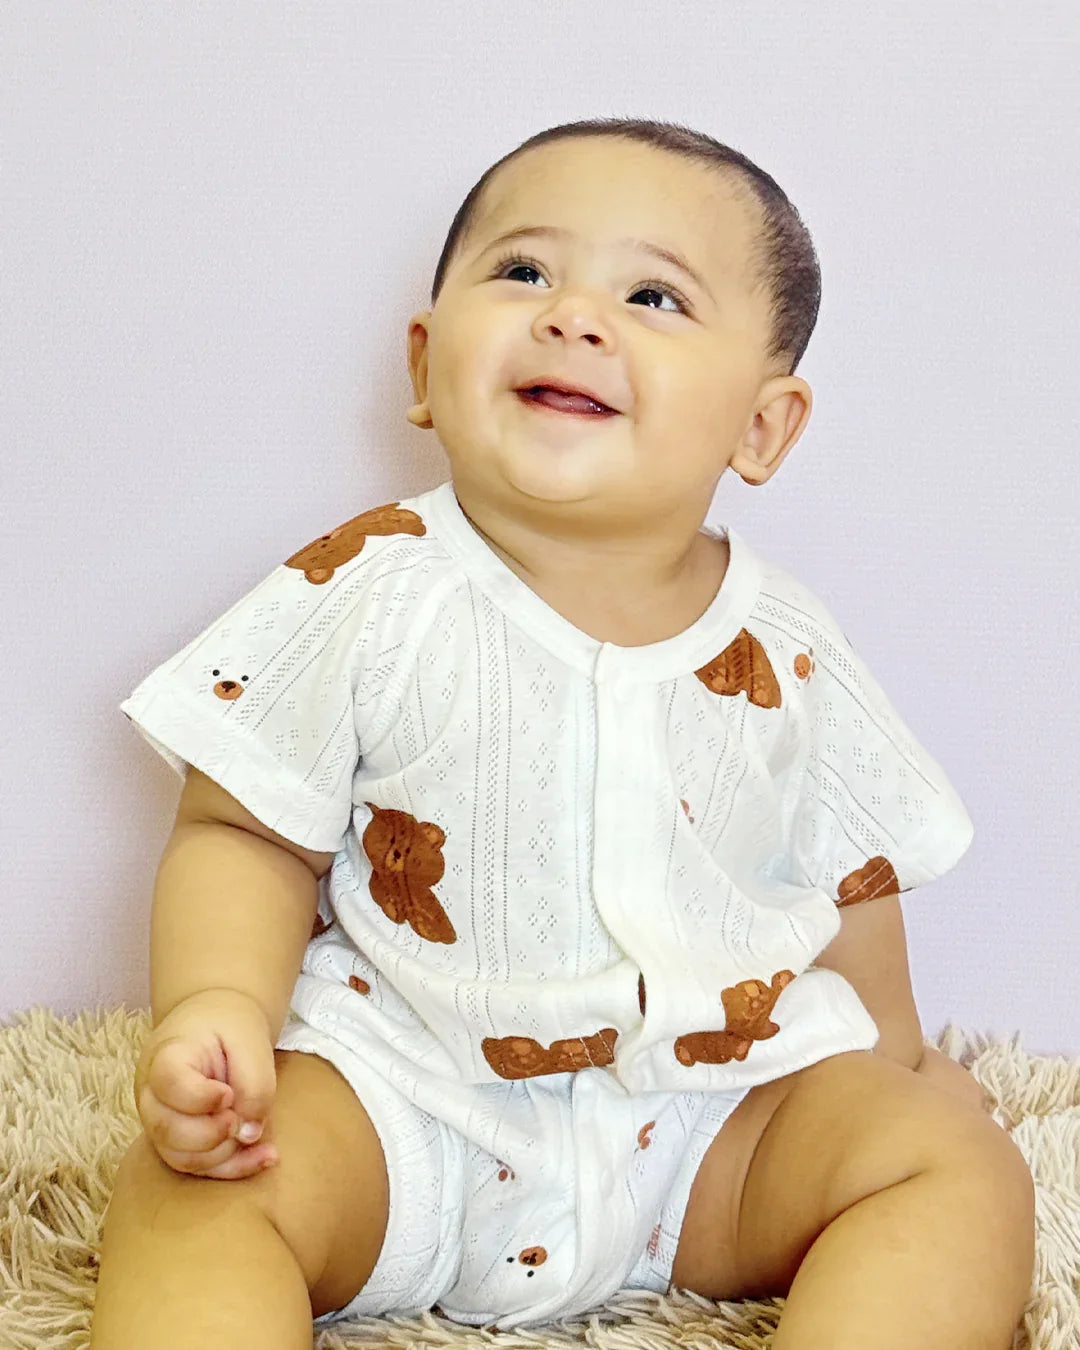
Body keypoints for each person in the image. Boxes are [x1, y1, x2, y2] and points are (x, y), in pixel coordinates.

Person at [90, 118, 1034, 1349]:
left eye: (652, 294)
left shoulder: (789, 645)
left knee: (961, 1167)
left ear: (762, 426)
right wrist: (212, 1005)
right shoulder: (372, 587)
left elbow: (852, 875)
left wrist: (898, 1066)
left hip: (716, 1133)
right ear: (425, 368)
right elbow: (244, 832)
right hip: (404, 1108)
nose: (575, 316)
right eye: (524, 272)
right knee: (191, 1198)